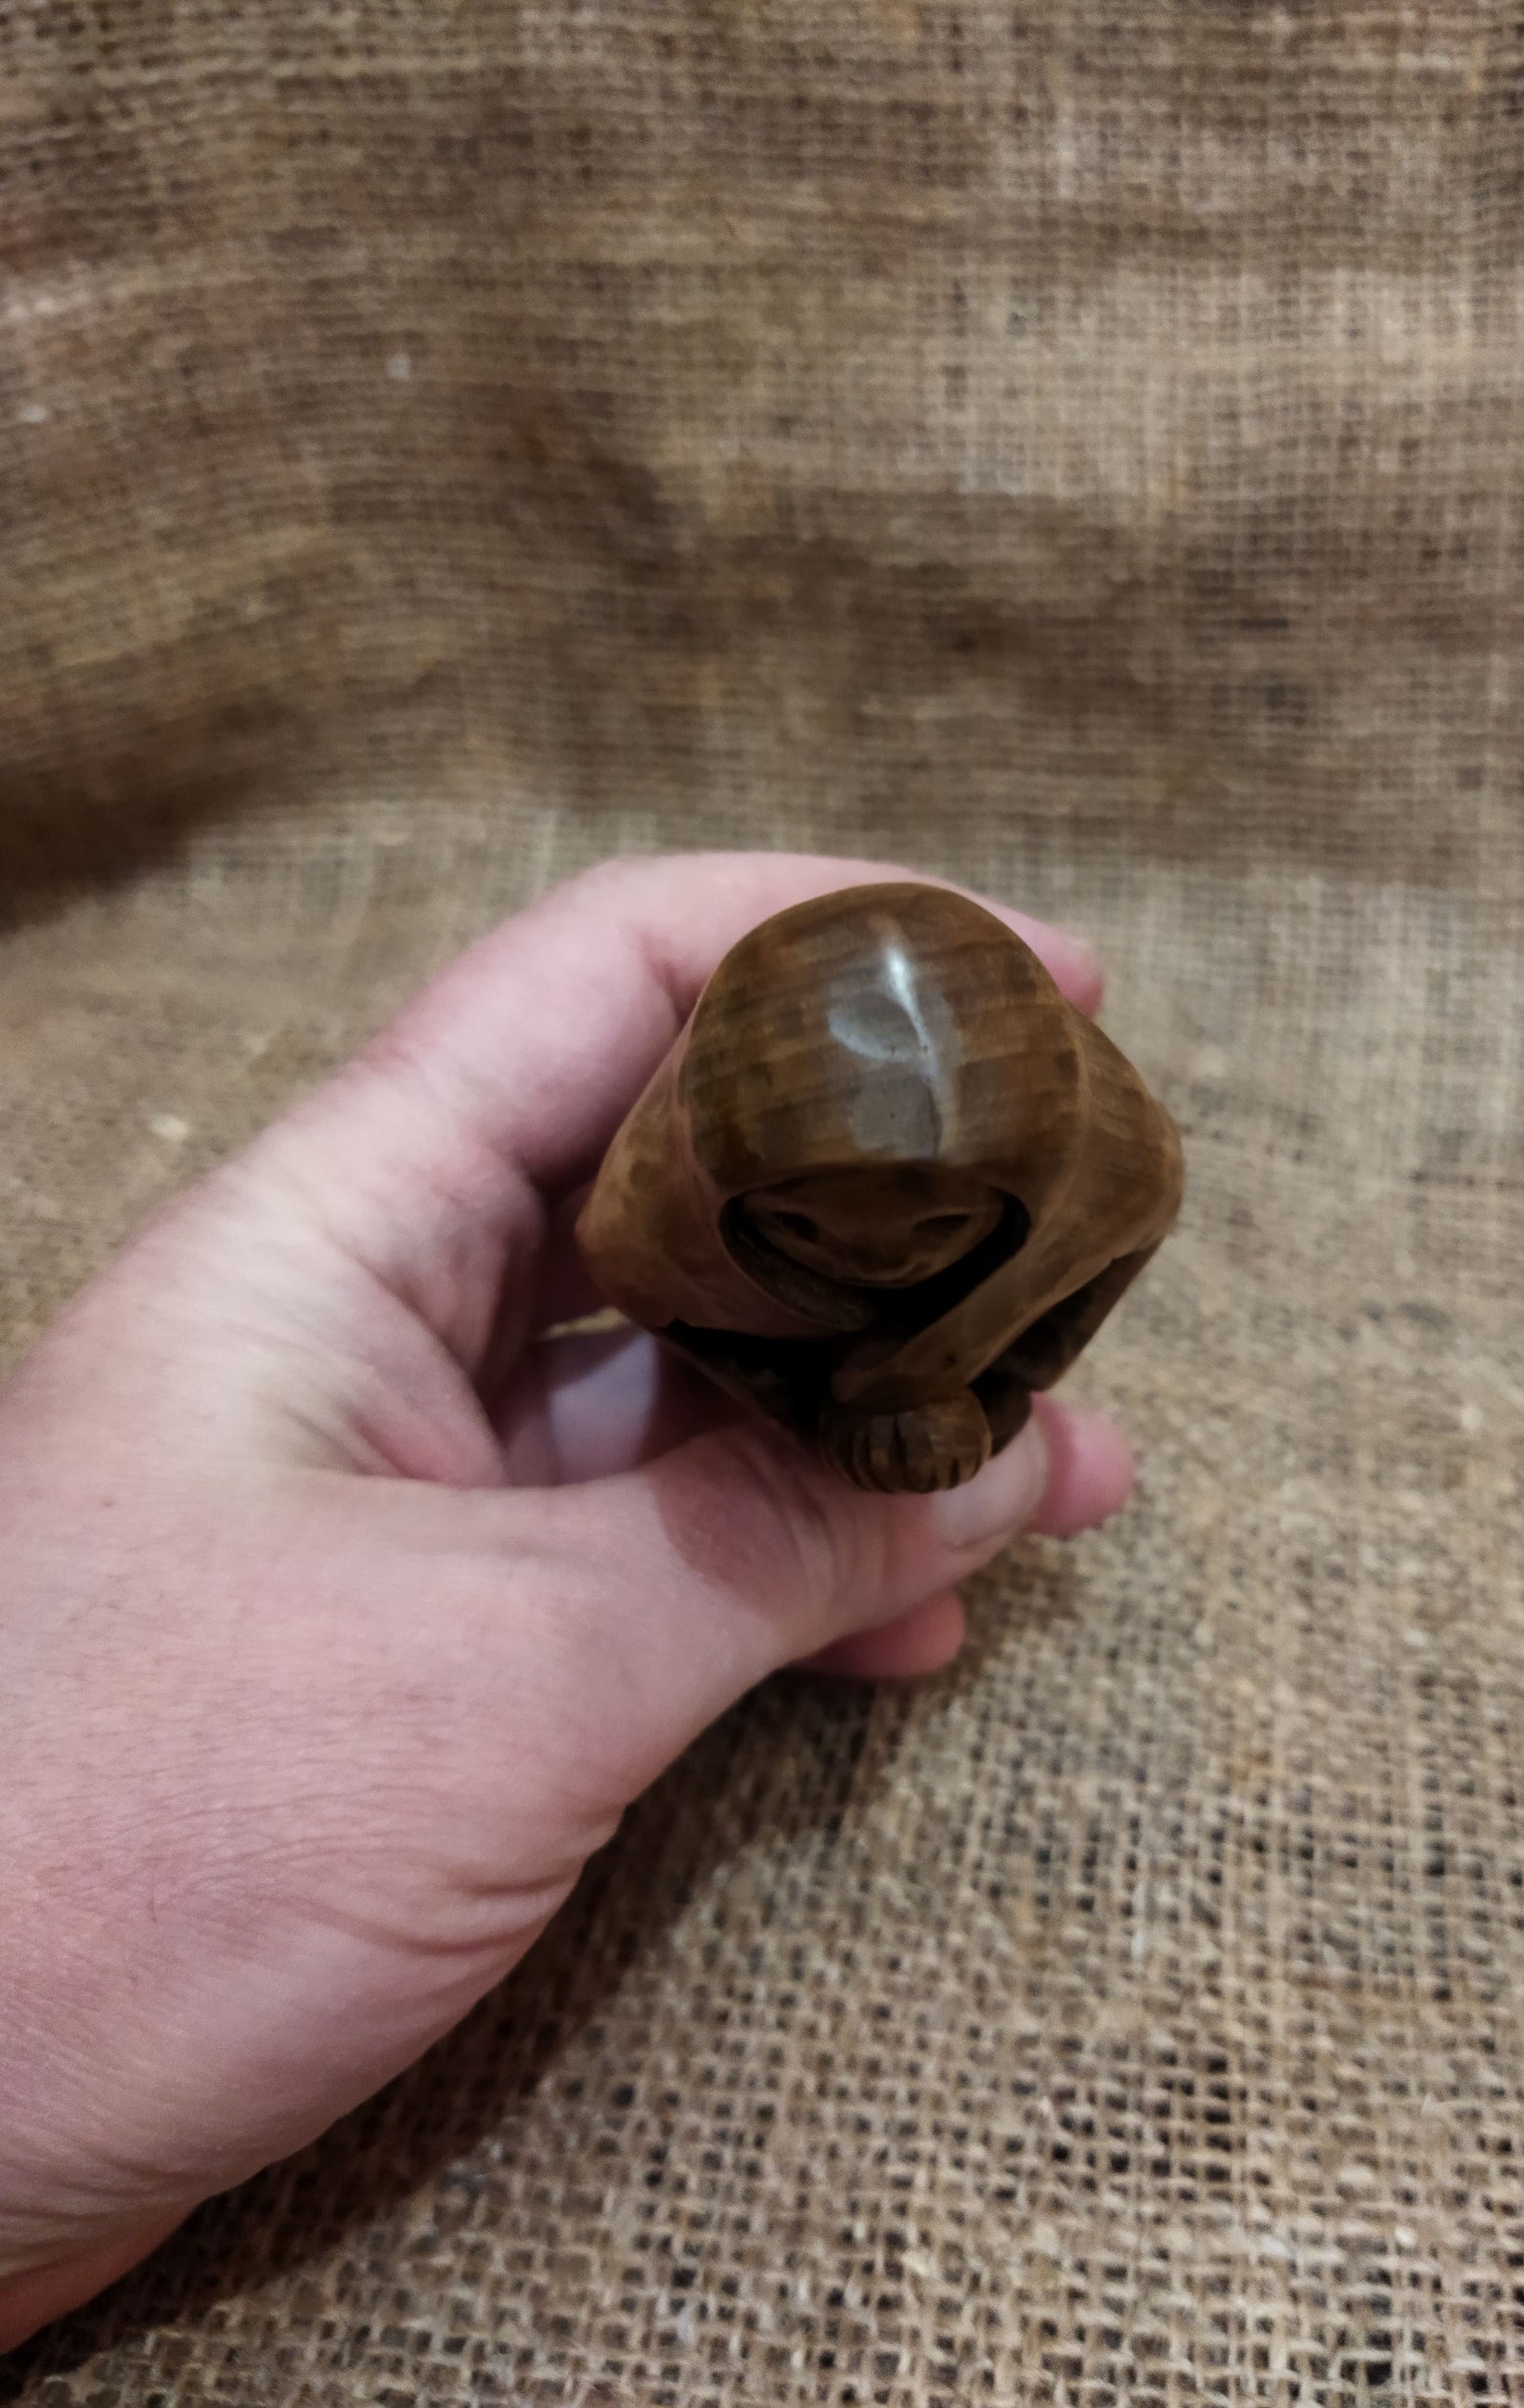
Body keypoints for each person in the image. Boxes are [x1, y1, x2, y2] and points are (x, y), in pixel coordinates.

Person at [0, 853, 1137, 2350]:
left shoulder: (1108, 1169)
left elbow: (1068, 1287)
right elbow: (659, 1284)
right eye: (802, 1237)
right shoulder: (655, 1212)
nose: (859, 1268)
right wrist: (825, 1400)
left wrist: (954, 1370)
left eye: (923, 1240)